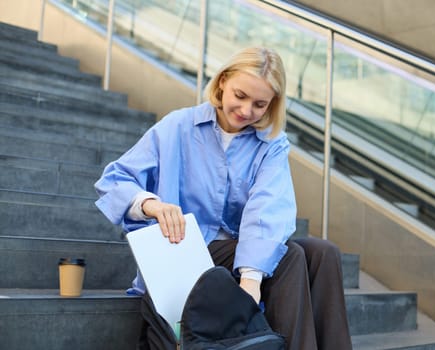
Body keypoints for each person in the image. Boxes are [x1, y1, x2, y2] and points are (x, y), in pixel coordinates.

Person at [94, 46, 352, 350]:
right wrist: (153, 205)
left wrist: (251, 279)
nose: (246, 111)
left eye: (259, 104)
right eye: (240, 96)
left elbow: (268, 206)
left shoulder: (271, 142)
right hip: (188, 250)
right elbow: (114, 180)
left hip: (243, 248)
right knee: (291, 256)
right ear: (222, 83)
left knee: (323, 252)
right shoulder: (179, 126)